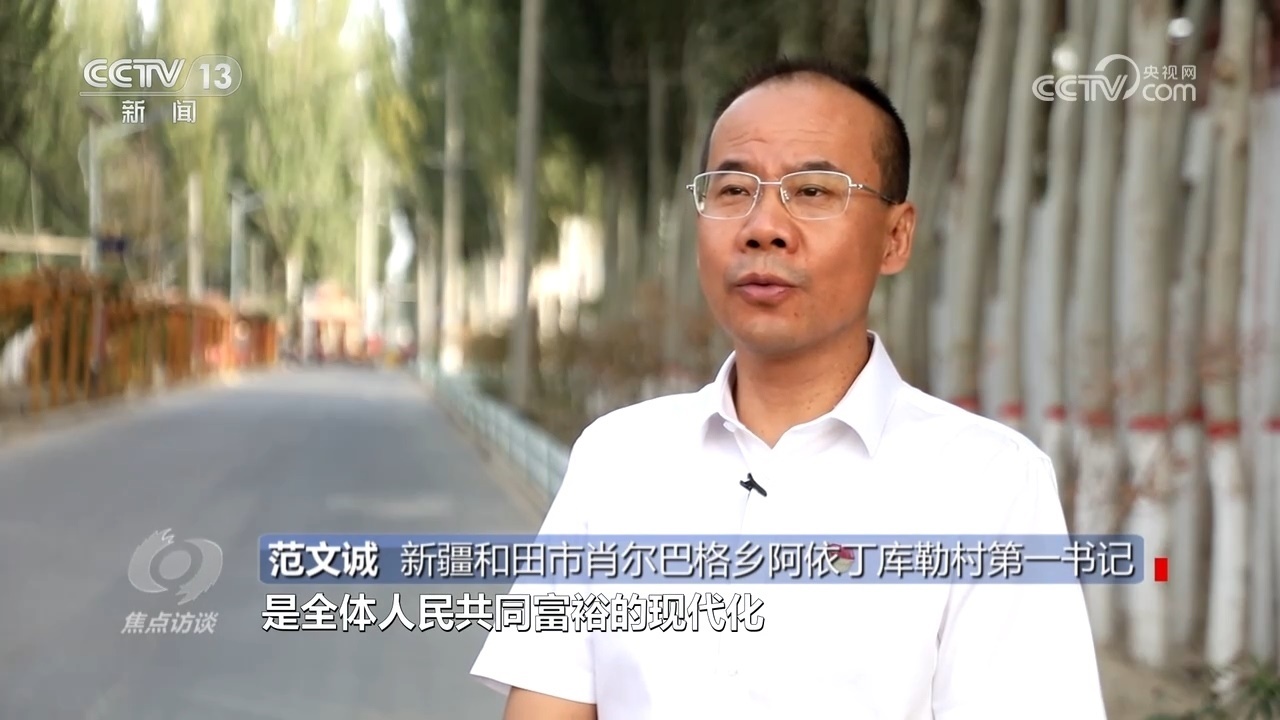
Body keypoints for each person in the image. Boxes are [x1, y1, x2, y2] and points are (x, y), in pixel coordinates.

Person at [470, 57, 1107, 720]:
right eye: (732, 189)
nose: (763, 227)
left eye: (813, 191)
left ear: (895, 237)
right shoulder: (617, 459)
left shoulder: (988, 485)